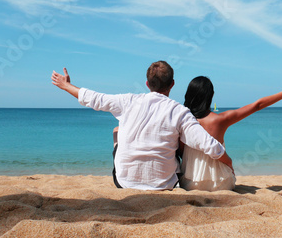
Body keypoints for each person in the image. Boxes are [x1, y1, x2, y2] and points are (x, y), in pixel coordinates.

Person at [51, 61, 232, 191]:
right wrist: (229, 163)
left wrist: (66, 85)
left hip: (124, 183)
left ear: (147, 84)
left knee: (117, 132)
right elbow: (208, 145)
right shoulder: (179, 112)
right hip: (163, 184)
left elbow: (93, 98)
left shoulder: (127, 101)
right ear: (172, 84)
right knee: (175, 138)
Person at [179, 76, 282, 191]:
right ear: (211, 95)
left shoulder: (183, 122)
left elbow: (180, 152)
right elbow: (257, 105)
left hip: (190, 184)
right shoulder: (220, 119)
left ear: (188, 95)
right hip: (221, 184)